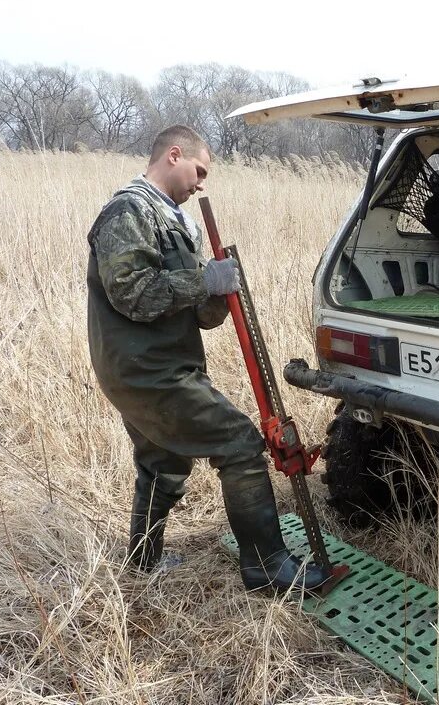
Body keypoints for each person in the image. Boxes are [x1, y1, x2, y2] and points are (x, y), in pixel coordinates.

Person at [86, 124, 325, 591]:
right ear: (173, 155)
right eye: (199, 170)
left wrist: (219, 292)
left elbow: (200, 315)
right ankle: (267, 567)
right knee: (239, 443)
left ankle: (142, 560)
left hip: (164, 364)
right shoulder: (129, 210)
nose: (201, 183)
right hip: (145, 370)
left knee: (164, 461)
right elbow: (132, 295)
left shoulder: (179, 223)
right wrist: (204, 282)